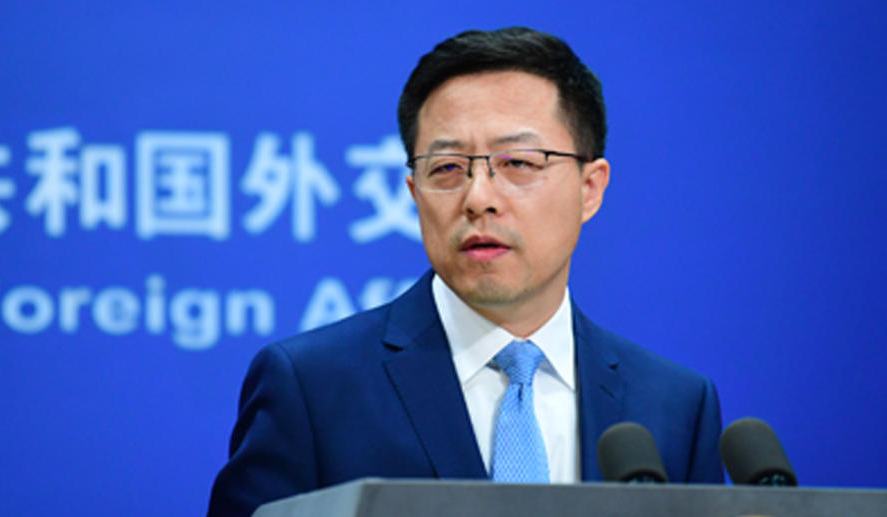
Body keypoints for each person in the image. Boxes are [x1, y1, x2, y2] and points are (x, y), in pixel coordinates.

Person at [207, 26, 723, 516]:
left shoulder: (674, 406)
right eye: (447, 169)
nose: (479, 199)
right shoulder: (313, 389)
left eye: (519, 163)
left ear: (590, 188)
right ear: (414, 194)